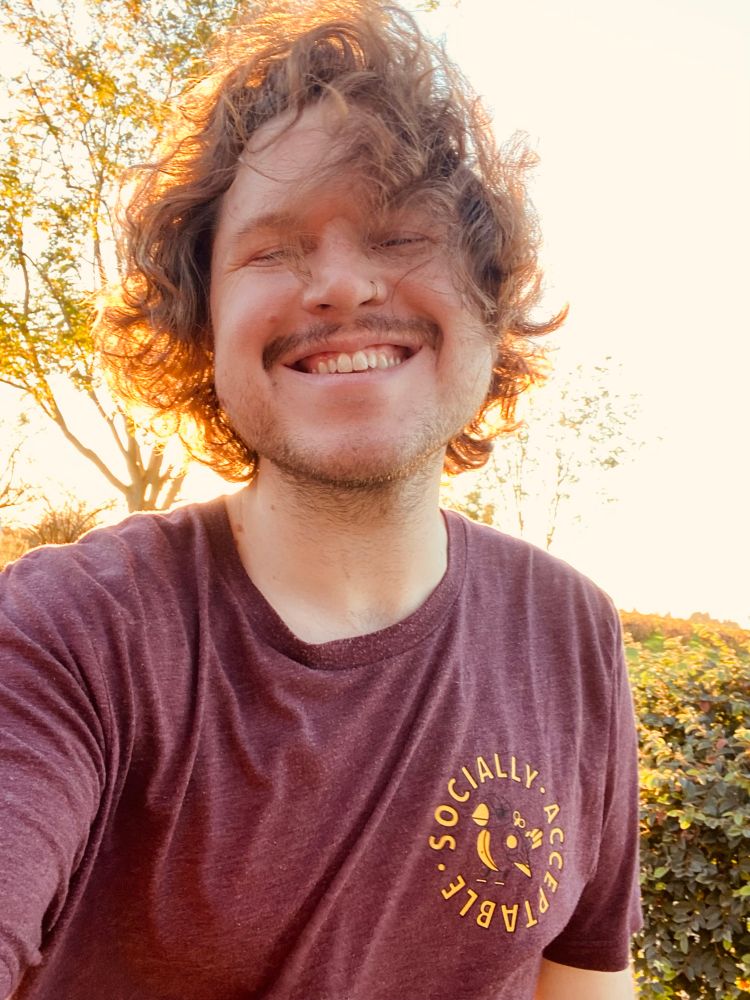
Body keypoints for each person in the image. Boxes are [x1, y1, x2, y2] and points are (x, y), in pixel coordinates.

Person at [0, 2, 642, 997]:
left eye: (399, 233)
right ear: (202, 319)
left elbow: (583, 980)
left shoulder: (572, 634)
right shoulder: (67, 634)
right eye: (275, 248)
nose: (339, 285)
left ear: (489, 300)